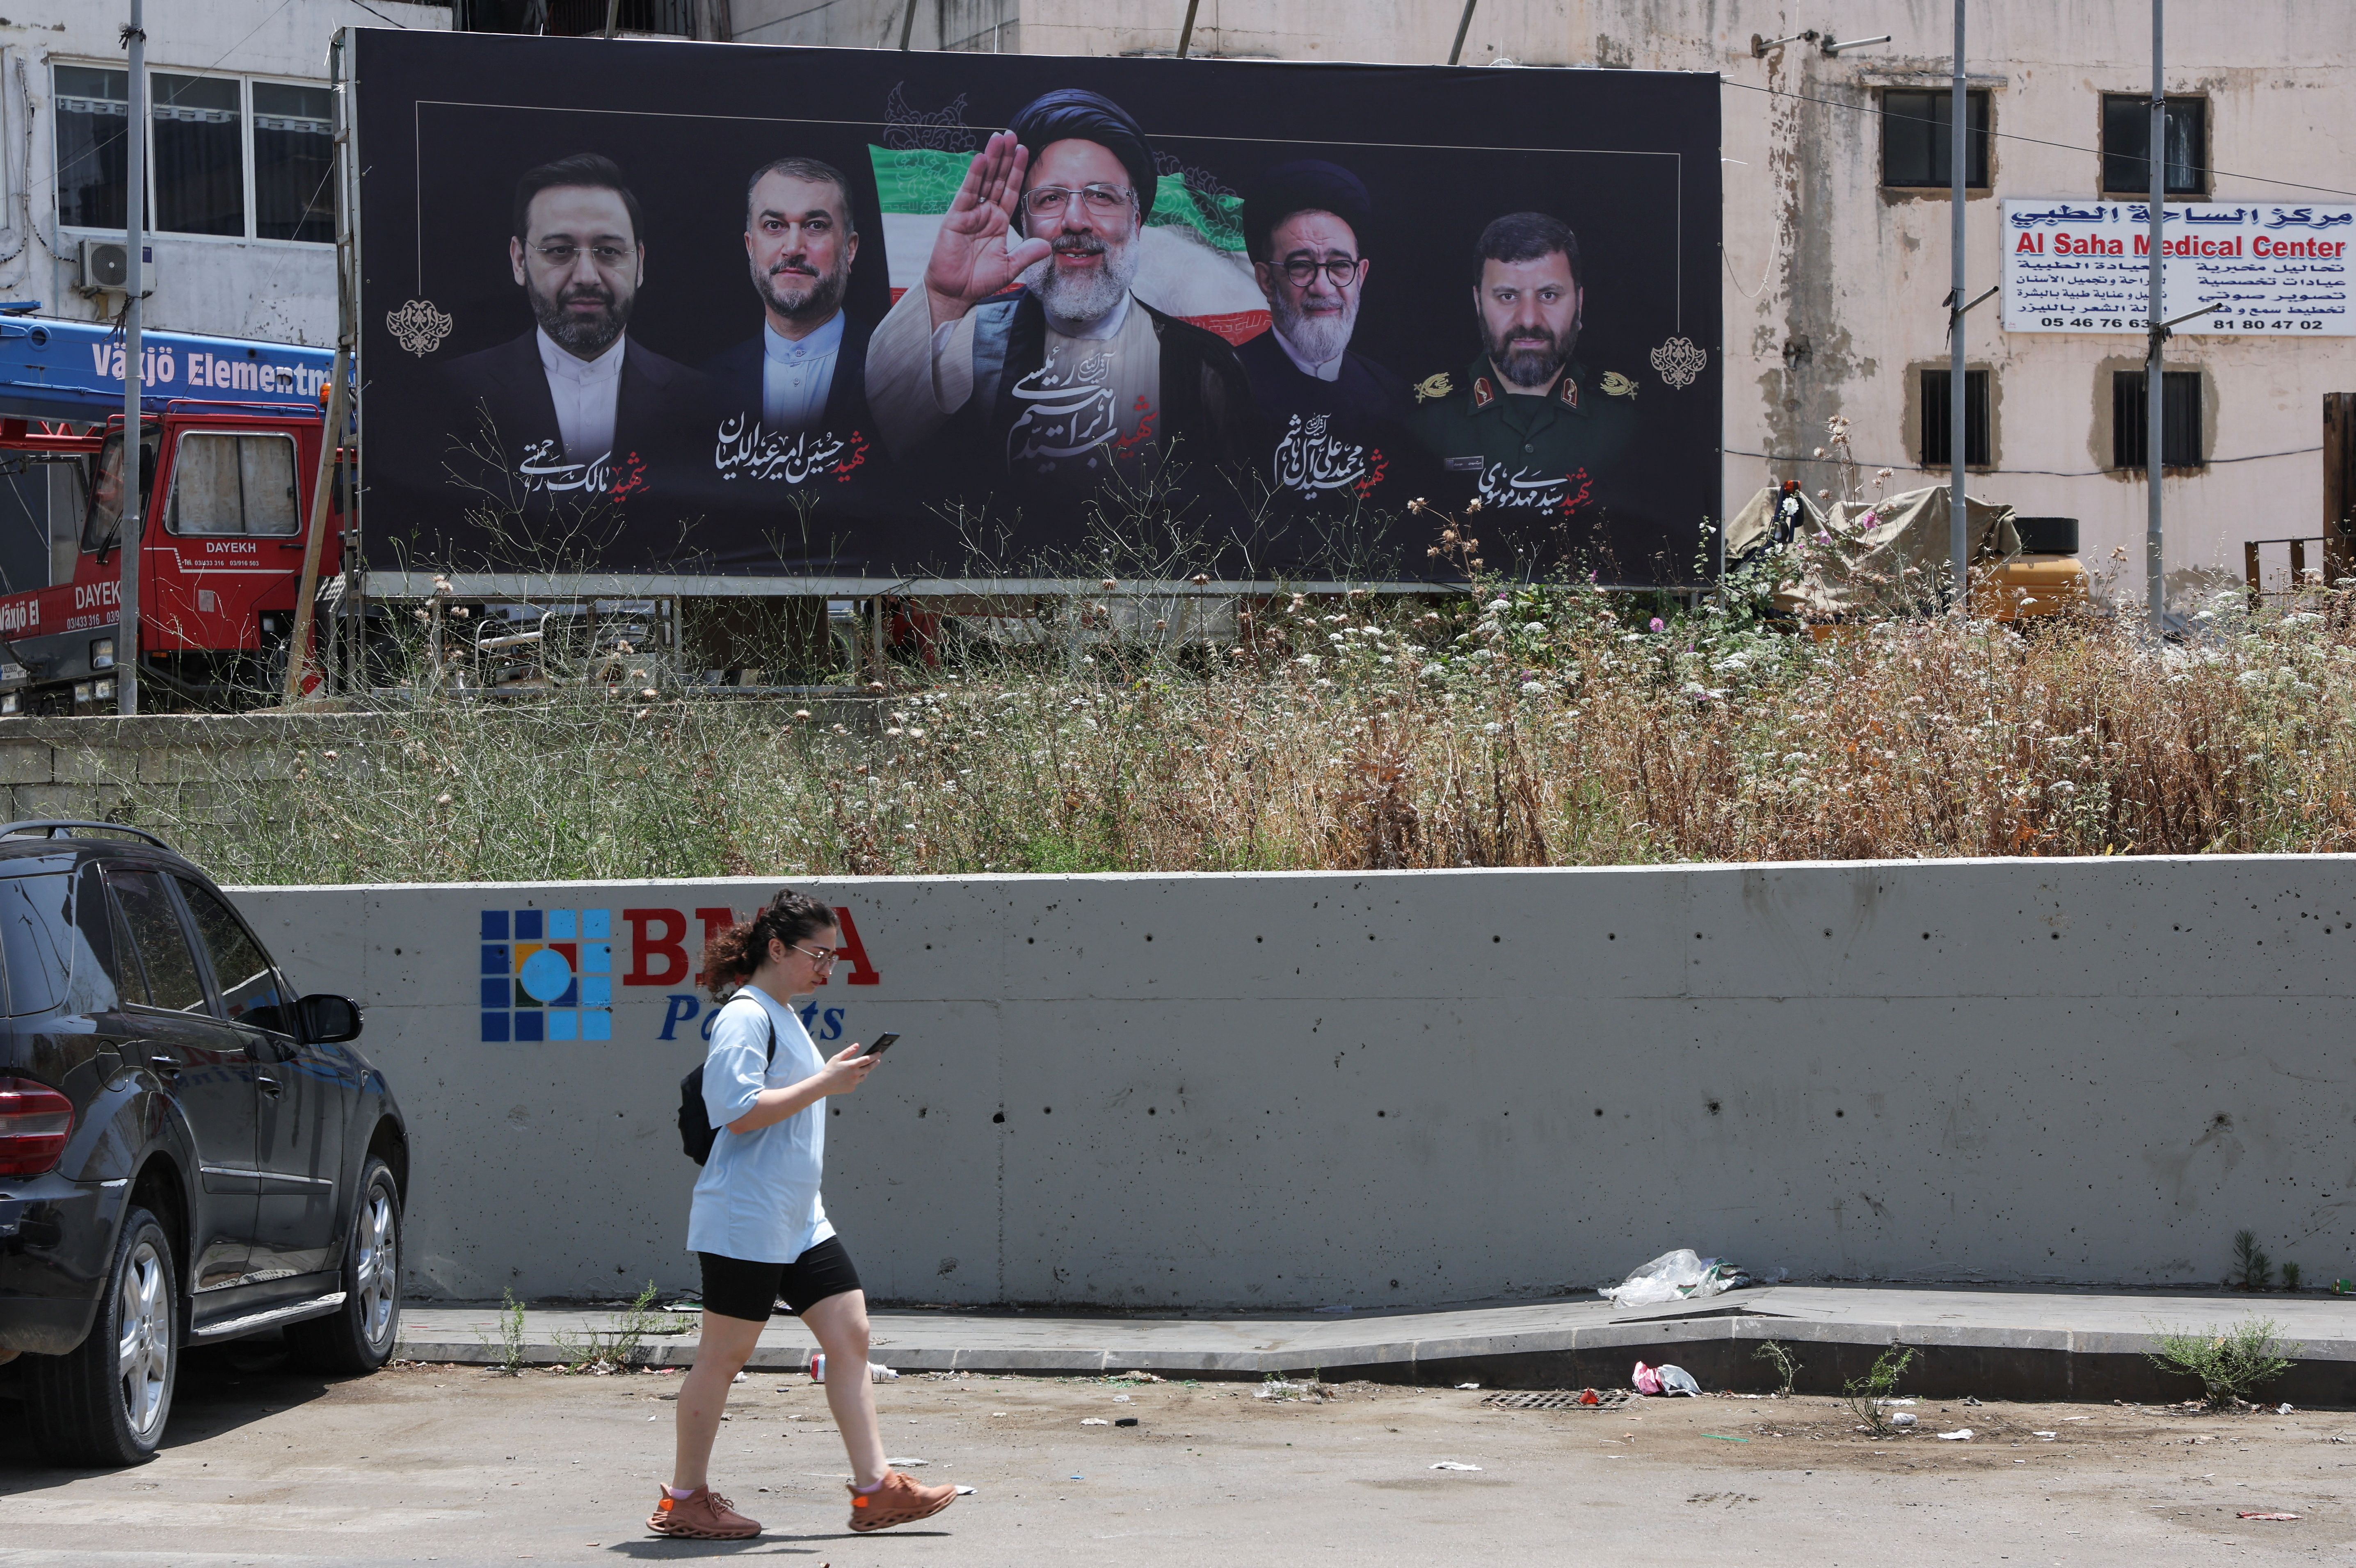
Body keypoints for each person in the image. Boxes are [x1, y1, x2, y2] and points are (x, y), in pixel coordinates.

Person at [648, 890, 955, 1541]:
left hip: (797, 1217)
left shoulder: (783, 1015)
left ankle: (875, 1490)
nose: (828, 968)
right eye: (818, 955)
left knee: (851, 1336)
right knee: (722, 1358)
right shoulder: (745, 1014)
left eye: (835, 958)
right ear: (777, 949)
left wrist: (828, 1072)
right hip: (747, 1216)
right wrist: (826, 1082)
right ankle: (684, 1499)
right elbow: (736, 1107)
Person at [863, 87, 1256, 491]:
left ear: (1136, 222)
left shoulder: (1204, 367)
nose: (1074, 220)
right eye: (1050, 199)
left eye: (1101, 196)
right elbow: (891, 434)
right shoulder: (974, 340)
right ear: (1024, 225)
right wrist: (945, 297)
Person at [442, 153, 708, 504]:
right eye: (560, 250)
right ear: (520, 261)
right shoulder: (452, 395)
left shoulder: (702, 401)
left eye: (609, 251)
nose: (586, 276)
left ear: (640, 263)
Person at [1407, 211, 1638, 523]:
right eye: (1507, 296)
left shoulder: (1627, 421)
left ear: (1579, 303)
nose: (1529, 320)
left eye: (1548, 295)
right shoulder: (1424, 420)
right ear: (1478, 304)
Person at [1234, 159, 1414, 509]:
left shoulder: (1391, 396)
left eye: (1339, 266)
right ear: (1267, 281)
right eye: (1300, 266)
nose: (1323, 287)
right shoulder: (1224, 387)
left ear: (1360, 275)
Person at [702, 156, 876, 444]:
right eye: (774, 225)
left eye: (816, 226)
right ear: (750, 246)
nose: (793, 248)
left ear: (849, 249)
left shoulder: (899, 375)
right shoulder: (702, 388)